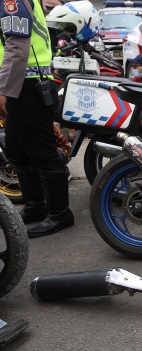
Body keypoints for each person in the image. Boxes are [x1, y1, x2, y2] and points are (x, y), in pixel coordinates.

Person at [0, 0, 97, 237]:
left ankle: (60, 214)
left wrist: (3, 91)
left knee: (42, 151)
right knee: (17, 151)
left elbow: (17, 49)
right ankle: (36, 206)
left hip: (26, 86)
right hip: (21, 85)